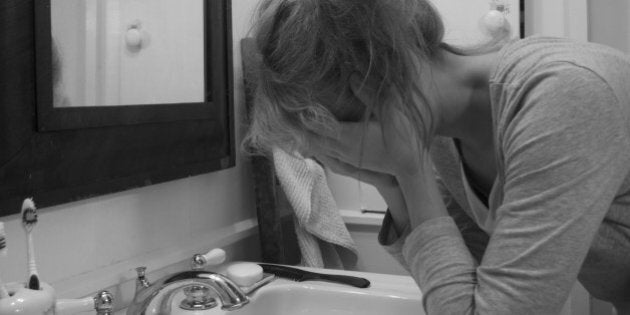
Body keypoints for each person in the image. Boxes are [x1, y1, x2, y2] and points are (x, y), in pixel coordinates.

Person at [243, 0, 630, 314]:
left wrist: (412, 172)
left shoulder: (564, 93)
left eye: (325, 129)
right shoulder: (445, 129)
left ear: (373, 82)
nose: (326, 154)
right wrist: (393, 184)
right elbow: (465, 283)